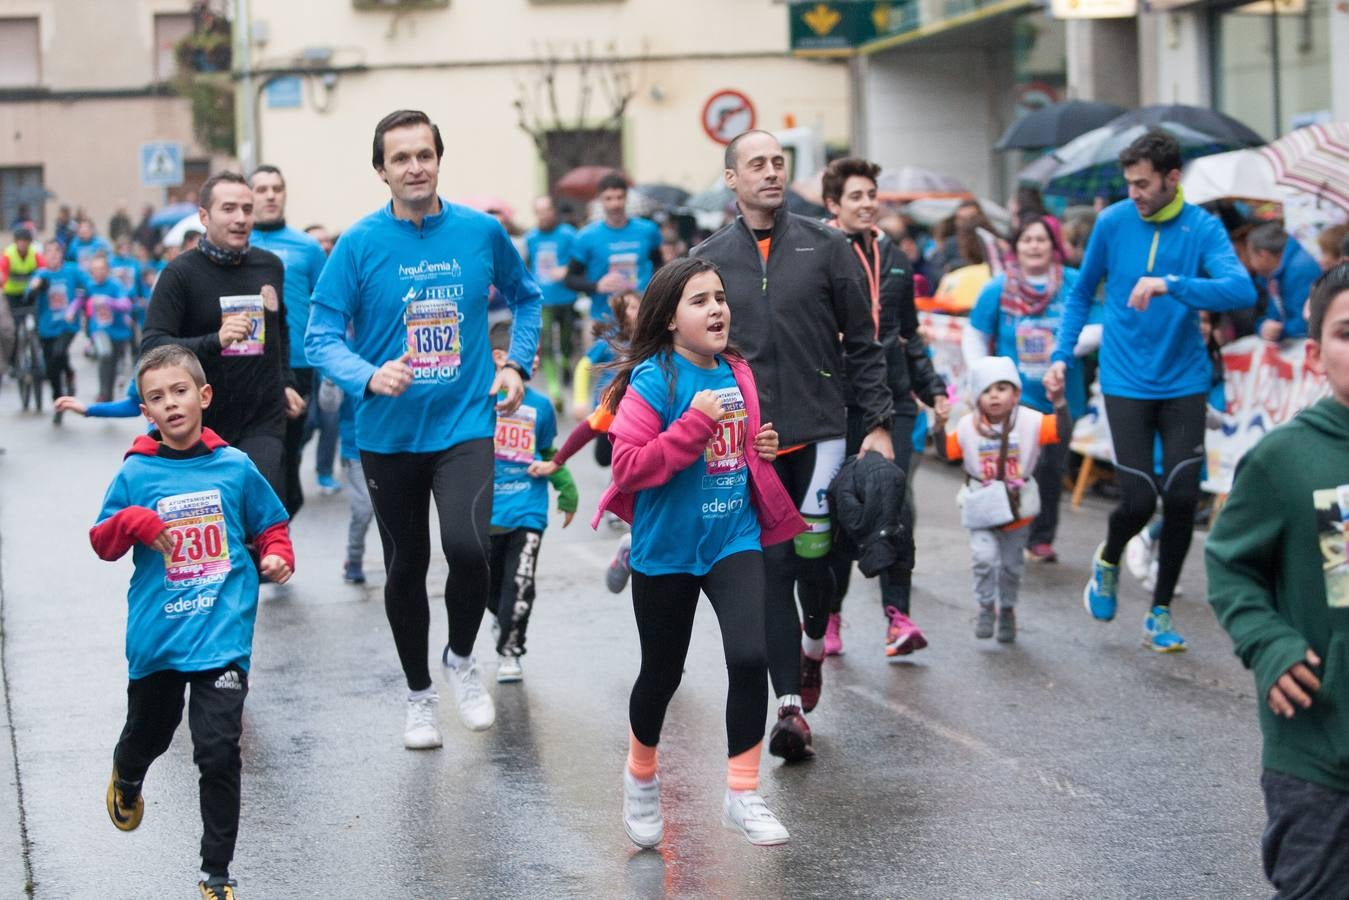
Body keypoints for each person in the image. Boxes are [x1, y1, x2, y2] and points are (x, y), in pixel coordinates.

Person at [305, 109, 542, 748]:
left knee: (469, 550)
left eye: (424, 155)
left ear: (439, 159)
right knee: (406, 566)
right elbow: (320, 337)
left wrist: (516, 361)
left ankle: (461, 660)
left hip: (465, 423)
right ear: (381, 170)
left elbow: (527, 297)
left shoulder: (479, 232)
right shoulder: (357, 245)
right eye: (400, 158)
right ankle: (418, 695)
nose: (415, 167)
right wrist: (366, 375)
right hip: (387, 435)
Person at [692, 130, 892, 761]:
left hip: (823, 431)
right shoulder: (709, 258)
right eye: (757, 165)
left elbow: (862, 342)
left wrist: (878, 422)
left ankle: (813, 644)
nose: (771, 173)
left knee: (819, 560)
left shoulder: (827, 245)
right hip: (754, 441)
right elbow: (690, 349)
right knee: (774, 568)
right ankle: (790, 708)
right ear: (732, 178)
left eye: (779, 163)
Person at [592, 257, 803, 847]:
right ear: (668, 320)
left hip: (732, 536)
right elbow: (630, 466)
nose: (717, 309)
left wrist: (762, 444)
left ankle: (742, 793)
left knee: (749, 655)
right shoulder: (655, 379)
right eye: (699, 301)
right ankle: (639, 773)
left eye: (720, 298)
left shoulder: (738, 370)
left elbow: (736, 448)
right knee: (662, 673)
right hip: (667, 549)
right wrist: (689, 426)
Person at [90, 345, 294, 900]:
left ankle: (216, 874)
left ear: (203, 396)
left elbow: (271, 526)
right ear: (146, 412)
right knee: (151, 733)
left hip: (221, 635)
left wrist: (278, 556)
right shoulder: (136, 473)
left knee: (218, 749)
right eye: (157, 398)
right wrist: (134, 520)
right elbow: (102, 542)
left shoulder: (234, 467)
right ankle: (127, 775)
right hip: (159, 637)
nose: (171, 403)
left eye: (179, 391)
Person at [1045, 129, 1255, 652]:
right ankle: (1110, 558)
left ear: (1172, 179)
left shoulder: (1202, 228)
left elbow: (1240, 288)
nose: (1134, 193)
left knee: (1182, 496)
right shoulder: (1114, 222)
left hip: (1183, 377)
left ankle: (1159, 612)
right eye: (1130, 183)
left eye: (1143, 184)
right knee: (1138, 499)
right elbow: (1079, 293)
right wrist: (1059, 354)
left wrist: (1172, 284)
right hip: (1124, 378)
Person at [1205, 264, 1349, 897]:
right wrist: (1269, 643)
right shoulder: (1287, 458)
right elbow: (1229, 563)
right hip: (1320, 755)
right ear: (1316, 354)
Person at [820, 157, 949, 658]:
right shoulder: (817, 255)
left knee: (896, 505)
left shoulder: (895, 256)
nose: (867, 204)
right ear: (834, 204)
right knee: (841, 510)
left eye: (872, 194)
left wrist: (932, 388)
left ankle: (897, 616)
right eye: (856, 196)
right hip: (836, 402)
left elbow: (907, 334)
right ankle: (829, 615)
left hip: (892, 401)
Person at [141, 172, 304, 500]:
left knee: (266, 510)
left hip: (264, 418)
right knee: (221, 520)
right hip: (203, 422)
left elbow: (279, 328)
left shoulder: (269, 265)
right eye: (229, 209)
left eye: (247, 209)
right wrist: (214, 341)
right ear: (204, 216)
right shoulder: (180, 274)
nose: (241, 218)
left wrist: (286, 381)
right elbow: (152, 345)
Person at [966, 215, 1099, 562]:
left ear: (1054, 247)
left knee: (1051, 469)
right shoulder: (998, 287)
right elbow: (976, 334)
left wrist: (1064, 346)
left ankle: (1041, 538)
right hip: (1010, 399)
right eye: (1027, 240)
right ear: (1016, 247)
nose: (1034, 246)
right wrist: (980, 378)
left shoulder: (1074, 284)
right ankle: (1004, 526)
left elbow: (1102, 326)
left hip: (1059, 397)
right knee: (1007, 466)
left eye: (1041, 240)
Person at [936, 357, 1068, 641]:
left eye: (1002, 388)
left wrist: (1058, 402)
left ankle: (1007, 609)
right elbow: (946, 453)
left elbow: (1062, 433)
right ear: (976, 397)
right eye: (986, 390)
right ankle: (986, 606)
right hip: (981, 504)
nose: (994, 395)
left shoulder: (1031, 421)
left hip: (1016, 508)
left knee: (1010, 566)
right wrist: (938, 425)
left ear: (1016, 393)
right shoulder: (968, 427)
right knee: (983, 559)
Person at [484, 322, 577, 683]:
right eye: (528, 353)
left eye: (537, 353)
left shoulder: (540, 406)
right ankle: (501, 619)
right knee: (491, 588)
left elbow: (550, 452)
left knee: (520, 582)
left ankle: (511, 650)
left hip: (528, 508)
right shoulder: (479, 401)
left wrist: (566, 489)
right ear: (500, 358)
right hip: (486, 513)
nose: (535, 359)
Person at [248, 164, 330, 515]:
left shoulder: (308, 248)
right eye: (262, 188)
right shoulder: (241, 243)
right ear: (249, 195)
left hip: (298, 364)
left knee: (289, 457)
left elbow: (329, 304)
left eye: (276, 188)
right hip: (248, 363)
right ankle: (266, 539)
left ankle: (276, 524)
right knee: (262, 454)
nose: (270, 195)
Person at [565, 173, 663, 325]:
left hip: (642, 317)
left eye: (619, 197)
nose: (615, 204)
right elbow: (570, 279)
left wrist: (653, 292)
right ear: (600, 200)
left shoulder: (648, 230)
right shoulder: (586, 236)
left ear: (626, 198)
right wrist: (596, 285)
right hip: (603, 319)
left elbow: (660, 266)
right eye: (609, 198)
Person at [524, 195, 579, 405]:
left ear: (553, 211)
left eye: (547, 210)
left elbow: (578, 261)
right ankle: (554, 389)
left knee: (565, 341)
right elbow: (528, 266)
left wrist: (566, 270)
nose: (543, 215)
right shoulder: (531, 238)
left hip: (566, 296)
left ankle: (565, 362)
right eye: (539, 211)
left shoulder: (568, 234)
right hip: (543, 299)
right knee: (545, 343)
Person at [27, 241, 84, 422]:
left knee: (59, 352)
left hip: (67, 325)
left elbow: (88, 288)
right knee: (51, 365)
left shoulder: (72, 270)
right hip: (47, 328)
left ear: (61, 254)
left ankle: (68, 374)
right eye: (48, 252)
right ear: (44, 256)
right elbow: (28, 295)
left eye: (56, 252)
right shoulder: (41, 274)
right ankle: (58, 401)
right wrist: (35, 286)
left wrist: (75, 307)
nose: (52, 255)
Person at [1247, 223, 1322, 342]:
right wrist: (1263, 327)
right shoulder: (1275, 274)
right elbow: (1273, 315)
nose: (1251, 264)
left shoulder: (1301, 269)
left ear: (1263, 255)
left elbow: (1307, 321)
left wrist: (1280, 330)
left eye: (1251, 257)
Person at [82, 252, 135, 402]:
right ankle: (103, 392)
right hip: (99, 330)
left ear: (107, 270)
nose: (98, 272)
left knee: (113, 362)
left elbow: (126, 304)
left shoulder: (115, 285)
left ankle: (108, 395)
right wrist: (71, 311)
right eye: (95, 269)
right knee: (104, 355)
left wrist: (108, 301)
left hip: (118, 331)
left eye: (101, 268)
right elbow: (81, 301)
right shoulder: (89, 285)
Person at [0, 226, 45, 373]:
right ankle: (13, 362)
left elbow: (44, 270)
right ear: (16, 242)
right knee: (11, 329)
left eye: (25, 241)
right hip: (12, 296)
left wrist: (40, 281)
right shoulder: (8, 255)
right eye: (20, 241)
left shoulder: (35, 255)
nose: (23, 244)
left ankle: (38, 355)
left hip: (29, 294)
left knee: (39, 324)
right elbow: (2, 271)